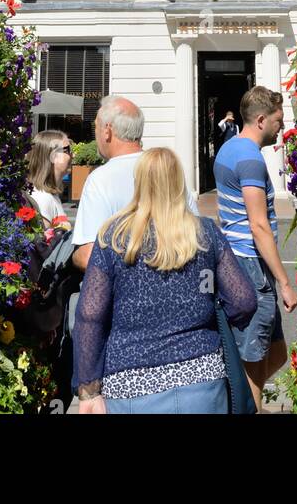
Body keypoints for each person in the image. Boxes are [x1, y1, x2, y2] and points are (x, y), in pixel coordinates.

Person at [74, 147, 257, 414]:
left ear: (139, 182)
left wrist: (89, 391)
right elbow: (243, 300)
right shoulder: (204, 233)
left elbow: (90, 315)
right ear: (178, 182)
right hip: (202, 379)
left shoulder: (113, 237)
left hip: (129, 385)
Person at [213, 85, 297, 413]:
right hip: (250, 265)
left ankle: (248, 402)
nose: (281, 127)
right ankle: (250, 408)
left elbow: (225, 210)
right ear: (261, 119)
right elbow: (259, 225)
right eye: (278, 120)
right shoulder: (249, 159)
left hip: (239, 260)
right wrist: (285, 283)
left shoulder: (228, 149)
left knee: (274, 353)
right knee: (252, 357)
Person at [71, 96, 198, 272]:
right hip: (177, 284)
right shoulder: (166, 170)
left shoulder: (100, 179)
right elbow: (197, 233)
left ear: (107, 131)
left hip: (126, 294)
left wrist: (73, 255)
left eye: (96, 126)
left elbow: (88, 256)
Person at [26, 129, 72, 228]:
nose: (73, 155)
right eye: (67, 150)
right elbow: (45, 242)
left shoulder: (50, 195)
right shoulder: (42, 199)